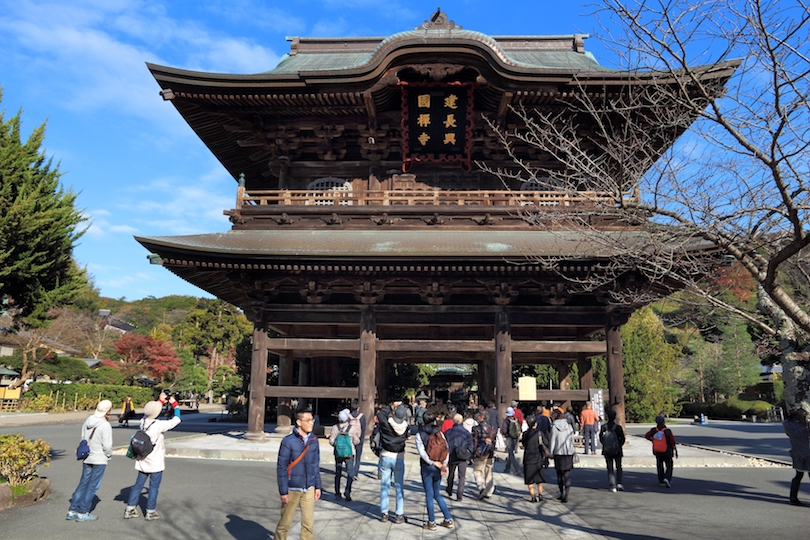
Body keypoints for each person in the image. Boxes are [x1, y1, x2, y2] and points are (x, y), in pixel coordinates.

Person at [123, 392, 181, 521]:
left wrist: (159, 401)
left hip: (143, 459)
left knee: (138, 484)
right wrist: (174, 404)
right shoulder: (159, 425)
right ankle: (150, 511)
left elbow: (151, 412)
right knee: (154, 487)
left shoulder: (143, 421)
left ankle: (130, 509)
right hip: (156, 461)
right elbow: (177, 419)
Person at [273, 408, 321, 540]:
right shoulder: (288, 441)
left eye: (312, 420)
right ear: (299, 422)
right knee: (284, 524)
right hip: (292, 488)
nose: (311, 423)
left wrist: (318, 486)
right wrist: (283, 492)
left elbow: (315, 465)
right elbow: (282, 468)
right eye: (308, 420)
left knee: (308, 525)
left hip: (308, 487)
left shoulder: (314, 440)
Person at [66, 399, 113, 522]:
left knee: (83, 483)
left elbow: (83, 438)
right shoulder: (105, 425)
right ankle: (83, 512)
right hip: (99, 458)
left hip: (87, 456)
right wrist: (109, 455)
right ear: (108, 410)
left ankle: (72, 510)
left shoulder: (88, 420)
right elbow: (107, 446)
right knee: (93, 486)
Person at [416, 411, 453, 530]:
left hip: (427, 467)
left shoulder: (420, 434)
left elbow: (422, 452)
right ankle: (448, 519)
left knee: (429, 495)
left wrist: (432, 462)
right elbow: (446, 449)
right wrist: (443, 464)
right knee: (437, 494)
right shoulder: (439, 433)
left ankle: (431, 522)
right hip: (439, 466)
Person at [377, 402, 410, 524]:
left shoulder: (387, 424)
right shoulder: (406, 427)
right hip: (399, 457)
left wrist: (390, 407)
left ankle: (384, 512)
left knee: (385, 485)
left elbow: (380, 415)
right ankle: (399, 513)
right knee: (399, 486)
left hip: (386, 455)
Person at [329, 409, 360, 501]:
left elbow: (331, 441)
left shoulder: (335, 427)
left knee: (338, 473)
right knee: (350, 473)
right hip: (349, 453)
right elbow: (356, 441)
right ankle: (347, 490)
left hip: (338, 453)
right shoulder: (352, 428)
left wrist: (337, 445)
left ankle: (337, 493)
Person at [782, 408, 810, 506]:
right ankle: (793, 498)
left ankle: (793, 497)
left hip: (797, 453)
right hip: (807, 453)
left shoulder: (787, 425)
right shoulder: (803, 427)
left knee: (798, 475)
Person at [445, 413, 474, 501]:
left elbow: (445, 444)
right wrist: (469, 454)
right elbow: (471, 445)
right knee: (462, 476)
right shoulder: (466, 432)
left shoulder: (448, 432)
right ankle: (459, 494)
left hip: (452, 455)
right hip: (463, 455)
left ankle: (449, 488)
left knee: (451, 473)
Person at [549, 409, 575, 503]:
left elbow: (552, 440)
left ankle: (562, 493)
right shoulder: (568, 426)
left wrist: (551, 452)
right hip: (568, 451)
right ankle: (567, 495)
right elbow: (572, 438)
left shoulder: (554, 427)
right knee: (567, 474)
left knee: (559, 474)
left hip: (558, 452)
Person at [645, 415, 678, 488]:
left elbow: (647, 436)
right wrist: (675, 450)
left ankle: (661, 480)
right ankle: (667, 478)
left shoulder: (653, 430)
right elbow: (672, 441)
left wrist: (653, 440)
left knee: (659, 465)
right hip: (667, 451)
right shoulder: (667, 431)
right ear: (664, 421)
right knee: (669, 465)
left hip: (657, 451)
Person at [472, 411, 497, 500]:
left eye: (479, 416)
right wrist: (491, 453)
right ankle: (489, 491)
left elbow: (474, 442)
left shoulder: (476, 429)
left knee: (478, 471)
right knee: (488, 472)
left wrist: (473, 454)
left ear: (482, 417)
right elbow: (494, 443)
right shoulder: (492, 429)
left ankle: (481, 487)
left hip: (480, 454)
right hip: (489, 454)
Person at [599, 409, 626, 492]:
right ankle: (619, 483)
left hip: (607, 449)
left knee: (610, 468)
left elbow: (601, 438)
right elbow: (622, 439)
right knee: (618, 466)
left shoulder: (603, 427)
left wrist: (605, 444)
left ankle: (612, 485)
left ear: (607, 417)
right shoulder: (618, 427)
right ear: (615, 417)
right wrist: (619, 445)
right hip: (617, 449)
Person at [521, 415, 546, 502]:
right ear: (535, 424)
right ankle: (540, 494)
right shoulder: (539, 433)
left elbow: (524, 444)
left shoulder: (525, 434)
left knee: (529, 479)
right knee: (539, 478)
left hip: (528, 458)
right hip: (538, 457)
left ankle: (533, 496)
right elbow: (545, 443)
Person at [501, 407, 523, 476]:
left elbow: (504, 430)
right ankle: (507, 468)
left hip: (509, 438)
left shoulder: (506, 421)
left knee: (511, 454)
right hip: (515, 438)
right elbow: (520, 428)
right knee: (511, 453)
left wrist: (504, 433)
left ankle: (517, 469)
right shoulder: (516, 420)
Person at [348, 399, 366, 479]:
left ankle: (350, 471)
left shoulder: (348, 416)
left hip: (350, 438)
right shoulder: (362, 416)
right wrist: (361, 439)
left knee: (351, 456)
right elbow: (363, 428)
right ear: (358, 407)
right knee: (358, 457)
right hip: (359, 438)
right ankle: (356, 472)